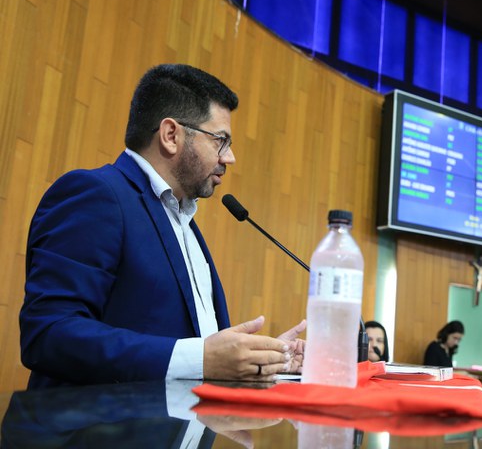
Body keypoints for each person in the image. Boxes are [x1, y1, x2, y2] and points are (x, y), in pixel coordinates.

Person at [20, 64, 305, 388]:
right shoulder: (97, 195)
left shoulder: (184, 222)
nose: (230, 158)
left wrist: (262, 361)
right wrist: (201, 358)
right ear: (171, 135)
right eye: (221, 141)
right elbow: (48, 334)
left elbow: (192, 348)